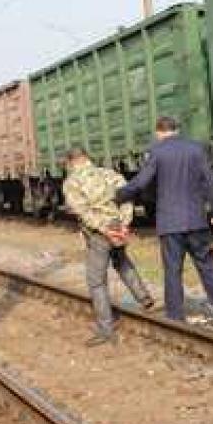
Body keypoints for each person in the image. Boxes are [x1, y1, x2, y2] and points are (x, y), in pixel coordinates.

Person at [114, 116, 213, 331]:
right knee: (209, 268)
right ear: (177, 130)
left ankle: (176, 319)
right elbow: (211, 181)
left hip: (170, 222)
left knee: (172, 270)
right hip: (197, 220)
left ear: (158, 132)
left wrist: (118, 196)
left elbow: (141, 182)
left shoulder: (157, 152)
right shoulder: (196, 149)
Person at [61, 147, 154, 346]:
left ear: (71, 162)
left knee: (96, 281)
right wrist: (124, 223)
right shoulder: (110, 174)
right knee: (121, 261)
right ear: (88, 157)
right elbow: (126, 198)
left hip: (99, 234)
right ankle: (144, 297)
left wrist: (104, 229)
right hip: (117, 226)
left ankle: (106, 329)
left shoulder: (72, 183)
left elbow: (82, 212)